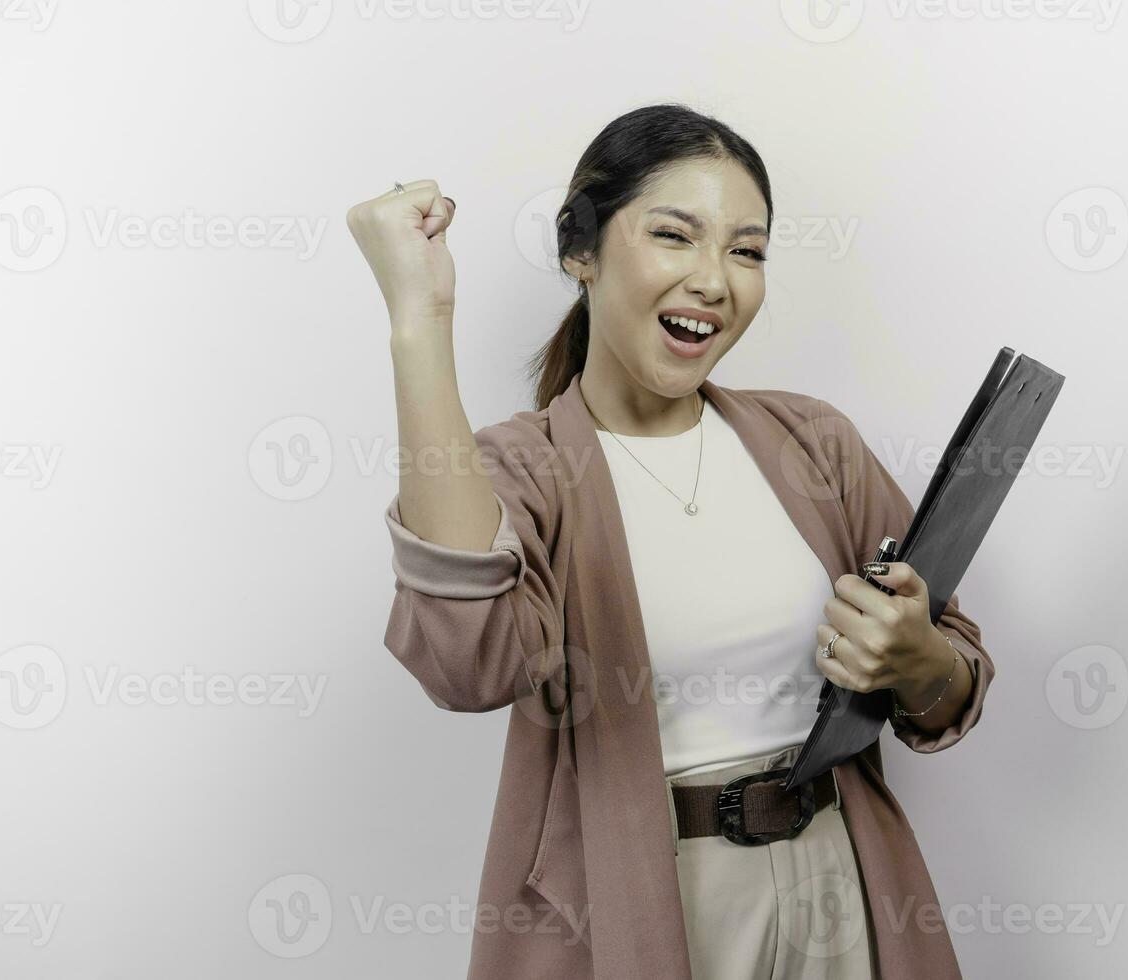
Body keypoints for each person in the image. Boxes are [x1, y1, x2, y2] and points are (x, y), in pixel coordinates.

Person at [346, 102, 993, 980]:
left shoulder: (817, 444)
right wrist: (420, 319)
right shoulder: (520, 469)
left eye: (747, 250)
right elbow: (469, 665)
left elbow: (951, 678)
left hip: (842, 884)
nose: (716, 281)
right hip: (641, 905)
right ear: (582, 251)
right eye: (675, 236)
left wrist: (917, 657)